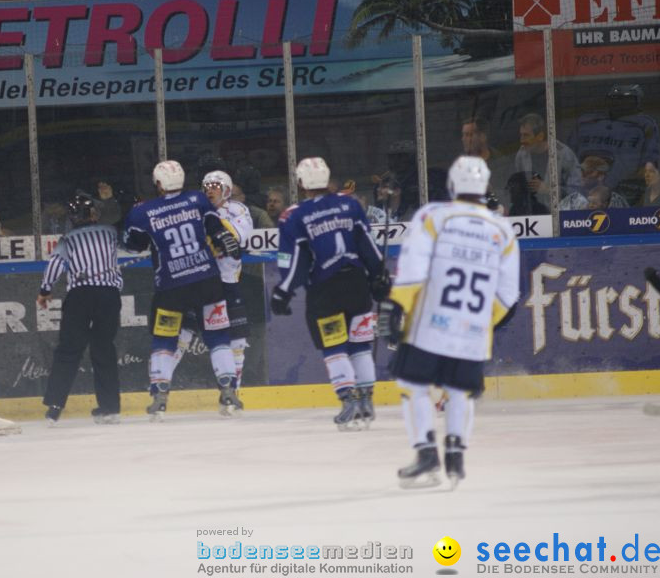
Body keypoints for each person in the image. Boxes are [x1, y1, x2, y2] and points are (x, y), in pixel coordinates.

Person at [378, 156, 520, 489]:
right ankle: (456, 455)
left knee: (414, 388)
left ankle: (427, 454)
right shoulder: (503, 230)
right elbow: (507, 294)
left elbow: (413, 271)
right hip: (472, 329)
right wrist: (482, 323)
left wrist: (396, 305)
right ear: (486, 186)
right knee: (460, 392)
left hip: (428, 325)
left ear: (452, 185)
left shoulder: (433, 217)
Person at [270, 157, 390, 431]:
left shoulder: (294, 215)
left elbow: (296, 259)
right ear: (327, 178)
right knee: (360, 345)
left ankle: (348, 401)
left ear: (301, 183)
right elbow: (368, 246)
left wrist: (284, 291)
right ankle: (366, 401)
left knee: (335, 346)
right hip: (357, 286)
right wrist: (379, 275)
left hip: (325, 291)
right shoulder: (349, 204)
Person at [122, 160, 244, 420]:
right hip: (207, 282)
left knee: (165, 339)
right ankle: (228, 388)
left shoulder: (143, 211)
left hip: (171, 287)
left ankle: (160, 393)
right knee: (218, 337)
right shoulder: (198, 200)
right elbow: (217, 229)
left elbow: (133, 245)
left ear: (157, 183)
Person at [39, 193, 123, 426]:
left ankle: (54, 408)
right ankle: (110, 408)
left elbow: (55, 264)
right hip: (108, 296)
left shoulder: (69, 239)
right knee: (104, 348)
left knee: (68, 350)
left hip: (80, 297)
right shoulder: (109, 233)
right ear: (93, 214)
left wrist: (45, 290)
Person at [173, 170, 254, 389]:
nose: (210, 190)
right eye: (207, 186)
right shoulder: (194, 211)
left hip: (226, 282)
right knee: (181, 334)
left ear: (226, 190)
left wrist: (210, 221)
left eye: (215, 186)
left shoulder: (238, 210)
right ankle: (160, 388)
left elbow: (238, 236)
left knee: (236, 341)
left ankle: (233, 390)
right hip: (196, 280)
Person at [570, 84, 660, 205]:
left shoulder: (645, 124)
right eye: (616, 99)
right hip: (583, 187)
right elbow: (570, 158)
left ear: (636, 101)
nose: (620, 103)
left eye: (626, 99)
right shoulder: (586, 121)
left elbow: (649, 165)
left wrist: (609, 185)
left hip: (624, 189)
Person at [514, 113, 582, 208]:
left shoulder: (564, 154)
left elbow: (577, 191)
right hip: (533, 214)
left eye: (526, 135)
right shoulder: (521, 154)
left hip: (560, 214)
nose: (521, 140)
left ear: (540, 136)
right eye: (521, 135)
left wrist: (549, 189)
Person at [460, 116, 510, 208]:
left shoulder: (502, 163)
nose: (463, 139)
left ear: (482, 137)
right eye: (463, 135)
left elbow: (509, 195)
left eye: (468, 135)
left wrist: (490, 190)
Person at [559, 155, 629, 211]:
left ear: (601, 177)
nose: (583, 176)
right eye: (582, 171)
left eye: (588, 172)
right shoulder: (572, 199)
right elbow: (559, 222)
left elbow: (625, 222)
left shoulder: (615, 199)